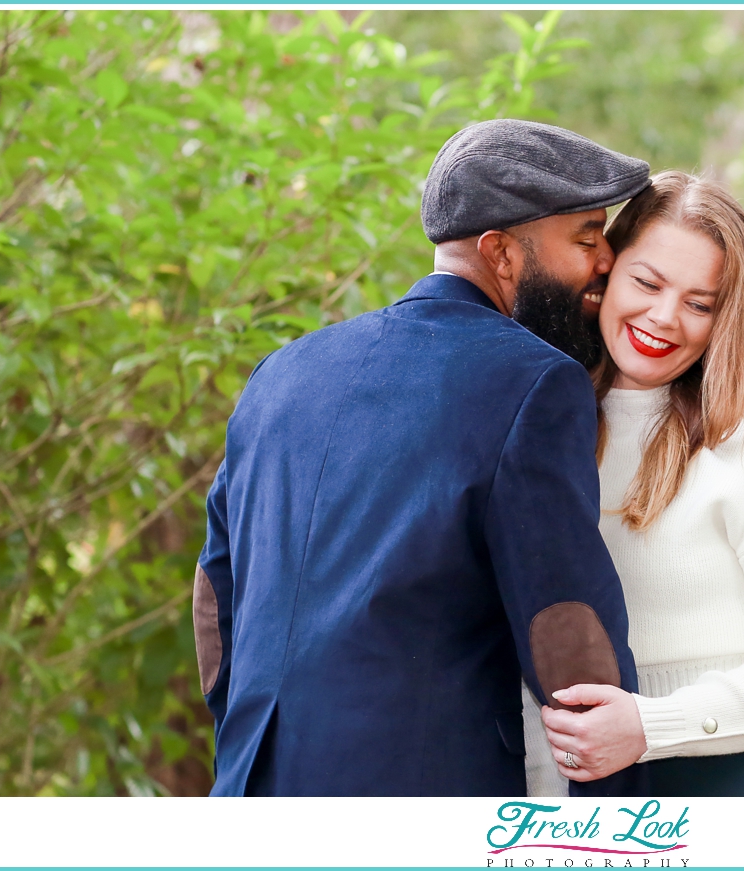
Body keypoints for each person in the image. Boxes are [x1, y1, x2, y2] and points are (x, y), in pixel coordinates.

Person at [192, 119, 653, 796]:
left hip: (249, 788)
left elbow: (215, 598)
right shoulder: (534, 381)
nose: (606, 261)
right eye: (586, 238)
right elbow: (567, 630)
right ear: (501, 253)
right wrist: (610, 816)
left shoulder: (282, 372)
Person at [523, 171, 744, 797]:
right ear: (605, 274)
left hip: (738, 785)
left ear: (724, 317)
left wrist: (653, 726)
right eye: (646, 283)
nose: (663, 317)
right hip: (578, 798)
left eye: (699, 303)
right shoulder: (533, 422)